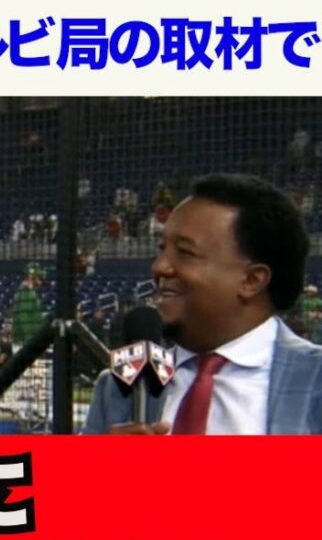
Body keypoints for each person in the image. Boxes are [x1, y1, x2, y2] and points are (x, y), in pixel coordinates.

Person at [85, 174, 322, 434]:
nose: (159, 267)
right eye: (162, 249)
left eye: (185, 253)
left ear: (251, 280)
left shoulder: (314, 379)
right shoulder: (119, 387)